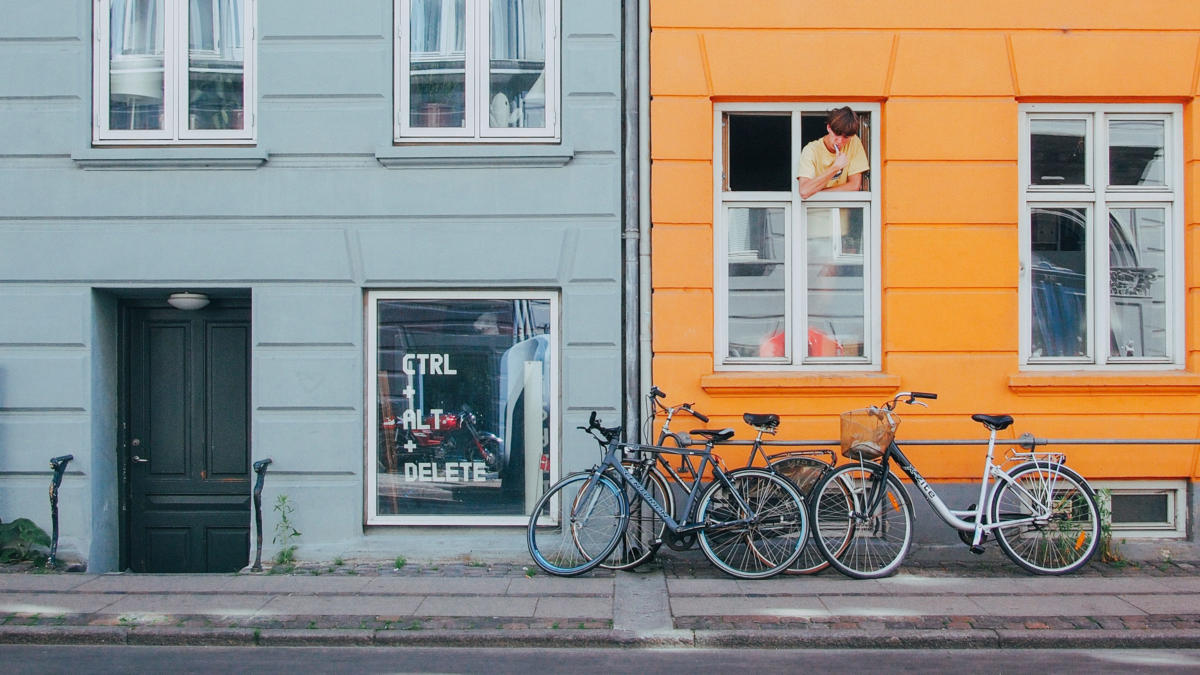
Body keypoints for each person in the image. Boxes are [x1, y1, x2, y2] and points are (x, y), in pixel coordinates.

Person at [796, 107, 869, 199]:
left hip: (843, 210)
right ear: (829, 128)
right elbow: (804, 191)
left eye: (846, 137)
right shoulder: (811, 150)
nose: (840, 141)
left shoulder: (854, 142)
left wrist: (817, 192)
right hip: (815, 210)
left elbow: (854, 185)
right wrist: (835, 167)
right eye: (837, 134)